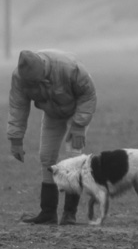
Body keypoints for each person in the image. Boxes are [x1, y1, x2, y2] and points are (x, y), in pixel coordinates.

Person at [7, 48, 99, 224]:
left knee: (73, 157)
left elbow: (88, 95)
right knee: (46, 157)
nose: (33, 86)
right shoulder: (20, 78)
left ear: (43, 67)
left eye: (36, 82)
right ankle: (48, 212)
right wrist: (15, 140)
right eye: (31, 84)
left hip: (77, 113)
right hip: (52, 114)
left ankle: (69, 214)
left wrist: (79, 126)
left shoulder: (68, 68)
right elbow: (18, 106)